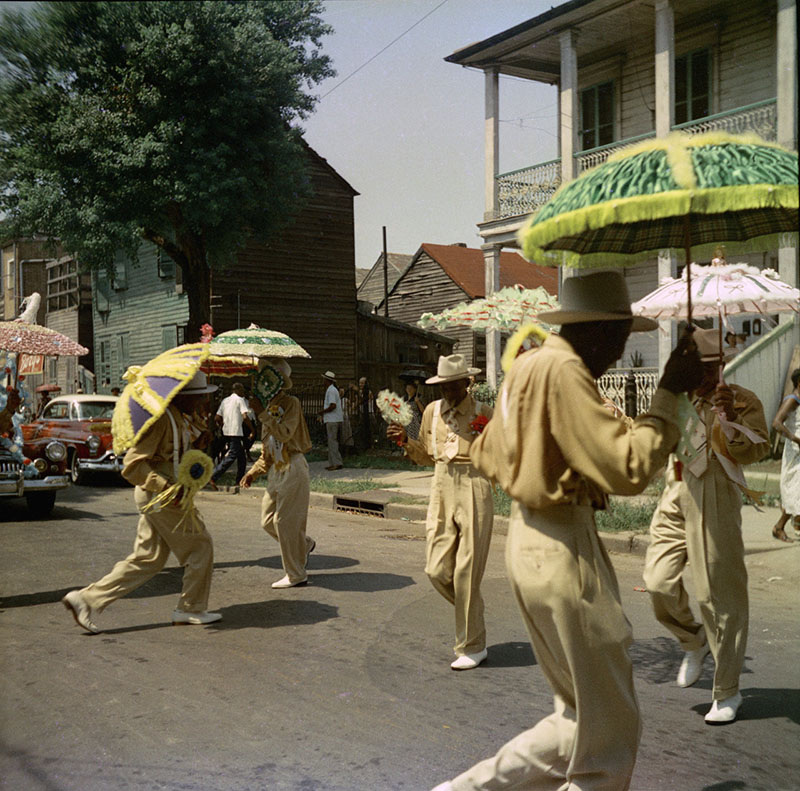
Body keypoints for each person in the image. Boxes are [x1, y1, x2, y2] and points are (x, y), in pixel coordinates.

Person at [430, 270, 703, 791]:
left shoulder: (528, 367)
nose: (621, 352)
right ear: (596, 331)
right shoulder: (566, 370)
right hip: (563, 549)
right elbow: (629, 468)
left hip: (526, 542)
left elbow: (486, 453)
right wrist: (668, 393)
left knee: (580, 718)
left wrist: (550, 461)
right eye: (621, 338)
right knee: (610, 733)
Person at [643, 327, 769, 725]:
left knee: (720, 595)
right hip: (676, 487)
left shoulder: (741, 399)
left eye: (709, 367)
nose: (703, 376)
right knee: (657, 580)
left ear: (722, 365)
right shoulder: (678, 400)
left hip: (715, 492)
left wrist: (729, 420)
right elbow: (656, 439)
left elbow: (758, 449)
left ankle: (727, 690)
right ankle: (692, 640)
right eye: (697, 367)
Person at [62, 370, 222, 633]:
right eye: (197, 396)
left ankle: (85, 599)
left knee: (148, 558)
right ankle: (190, 608)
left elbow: (171, 456)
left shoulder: (179, 418)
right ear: (180, 397)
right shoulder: (160, 420)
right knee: (200, 546)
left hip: (162, 495)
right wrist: (166, 487)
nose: (201, 401)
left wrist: (198, 443)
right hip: (161, 495)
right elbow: (133, 464)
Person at [388, 354, 494, 671]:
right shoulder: (432, 413)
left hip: (474, 484)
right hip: (440, 485)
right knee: (436, 570)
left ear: (467, 382)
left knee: (466, 571)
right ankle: (471, 608)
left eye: (453, 385)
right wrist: (406, 442)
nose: (447, 392)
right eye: (442, 386)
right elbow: (424, 456)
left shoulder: (484, 413)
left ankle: (472, 646)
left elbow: (500, 455)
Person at [240, 359, 315, 588]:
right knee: (267, 521)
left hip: (293, 465)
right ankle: (304, 544)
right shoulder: (268, 407)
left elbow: (283, 434)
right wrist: (253, 472)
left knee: (284, 521)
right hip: (277, 468)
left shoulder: (291, 403)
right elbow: (268, 449)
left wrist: (262, 413)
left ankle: (295, 573)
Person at [771, 368, 800, 542]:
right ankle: (779, 527)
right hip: (796, 451)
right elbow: (776, 423)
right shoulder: (792, 400)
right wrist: (795, 439)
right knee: (795, 490)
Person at [210, 383, 253, 488]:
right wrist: (252, 429)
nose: (243, 393)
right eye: (242, 390)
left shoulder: (225, 401)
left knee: (241, 456)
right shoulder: (240, 400)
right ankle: (213, 476)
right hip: (236, 432)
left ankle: (239, 480)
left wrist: (223, 425)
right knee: (232, 456)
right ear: (237, 390)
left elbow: (217, 417)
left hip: (226, 431)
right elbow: (245, 416)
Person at [320, 371, 343, 470]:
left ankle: (336, 463)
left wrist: (322, 412)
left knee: (332, 441)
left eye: (324, 379)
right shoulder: (332, 389)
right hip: (333, 419)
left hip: (332, 419)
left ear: (327, 380)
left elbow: (333, 405)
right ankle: (333, 462)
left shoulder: (331, 390)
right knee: (332, 441)